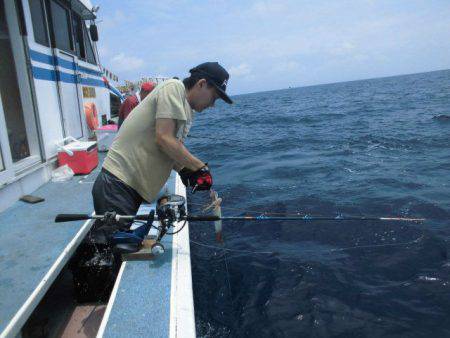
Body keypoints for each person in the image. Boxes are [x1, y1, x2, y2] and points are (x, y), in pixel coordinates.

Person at [93, 61, 232, 228]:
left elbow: (167, 148)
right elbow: (164, 138)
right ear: (201, 84)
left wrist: (185, 170)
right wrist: (200, 168)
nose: (212, 104)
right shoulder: (173, 88)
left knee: (117, 245)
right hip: (118, 184)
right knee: (111, 247)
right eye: (214, 97)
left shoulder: (186, 110)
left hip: (130, 187)